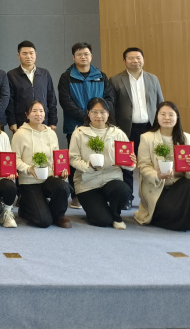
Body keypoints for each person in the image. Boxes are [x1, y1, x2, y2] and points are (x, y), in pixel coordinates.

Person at [57, 41, 115, 208]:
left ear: (91, 56)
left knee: (100, 156)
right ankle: (75, 195)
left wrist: (98, 116)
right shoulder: (66, 77)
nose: (83, 57)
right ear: (74, 57)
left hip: (100, 125)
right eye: (79, 54)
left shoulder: (101, 76)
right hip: (75, 125)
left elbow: (110, 99)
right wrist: (86, 117)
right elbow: (65, 101)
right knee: (75, 159)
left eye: (86, 54)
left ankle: (99, 191)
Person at [135, 102, 190, 231]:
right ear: (157, 117)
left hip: (178, 184)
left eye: (171, 115)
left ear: (177, 117)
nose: (167, 118)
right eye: (163, 114)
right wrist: (157, 175)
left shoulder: (186, 138)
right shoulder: (147, 138)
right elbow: (143, 166)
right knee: (171, 211)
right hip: (156, 187)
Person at [109, 47, 164, 207]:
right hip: (126, 129)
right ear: (124, 61)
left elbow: (160, 102)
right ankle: (127, 198)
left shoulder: (153, 79)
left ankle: (149, 198)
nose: (135, 61)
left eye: (138, 58)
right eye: (131, 58)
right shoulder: (115, 80)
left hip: (149, 127)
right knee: (127, 164)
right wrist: (114, 128)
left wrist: (161, 125)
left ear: (143, 59)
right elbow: (112, 107)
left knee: (149, 163)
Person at [69, 98, 134, 229]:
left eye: (102, 112)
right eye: (94, 112)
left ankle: (116, 216)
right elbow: (73, 159)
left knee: (123, 190)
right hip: (87, 183)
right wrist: (88, 166)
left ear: (108, 113)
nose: (99, 116)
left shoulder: (118, 133)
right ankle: (100, 208)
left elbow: (129, 165)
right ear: (88, 113)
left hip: (111, 179)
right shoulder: (79, 133)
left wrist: (131, 162)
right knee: (102, 220)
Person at [12, 100, 71, 228]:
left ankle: (58, 215)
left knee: (63, 187)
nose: (38, 114)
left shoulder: (51, 133)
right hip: (29, 181)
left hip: (48, 178)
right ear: (27, 114)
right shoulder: (20, 134)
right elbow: (14, 159)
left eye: (41, 111)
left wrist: (60, 172)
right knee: (44, 222)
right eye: (34, 111)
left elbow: (57, 157)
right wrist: (28, 169)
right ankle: (25, 206)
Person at [6, 40, 58, 135]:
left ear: (35, 54)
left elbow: (51, 99)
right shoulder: (12, 75)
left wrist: (53, 121)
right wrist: (12, 122)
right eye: (24, 53)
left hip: (43, 122)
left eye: (31, 53)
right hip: (21, 123)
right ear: (18, 56)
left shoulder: (44, 74)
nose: (28, 56)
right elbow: (10, 101)